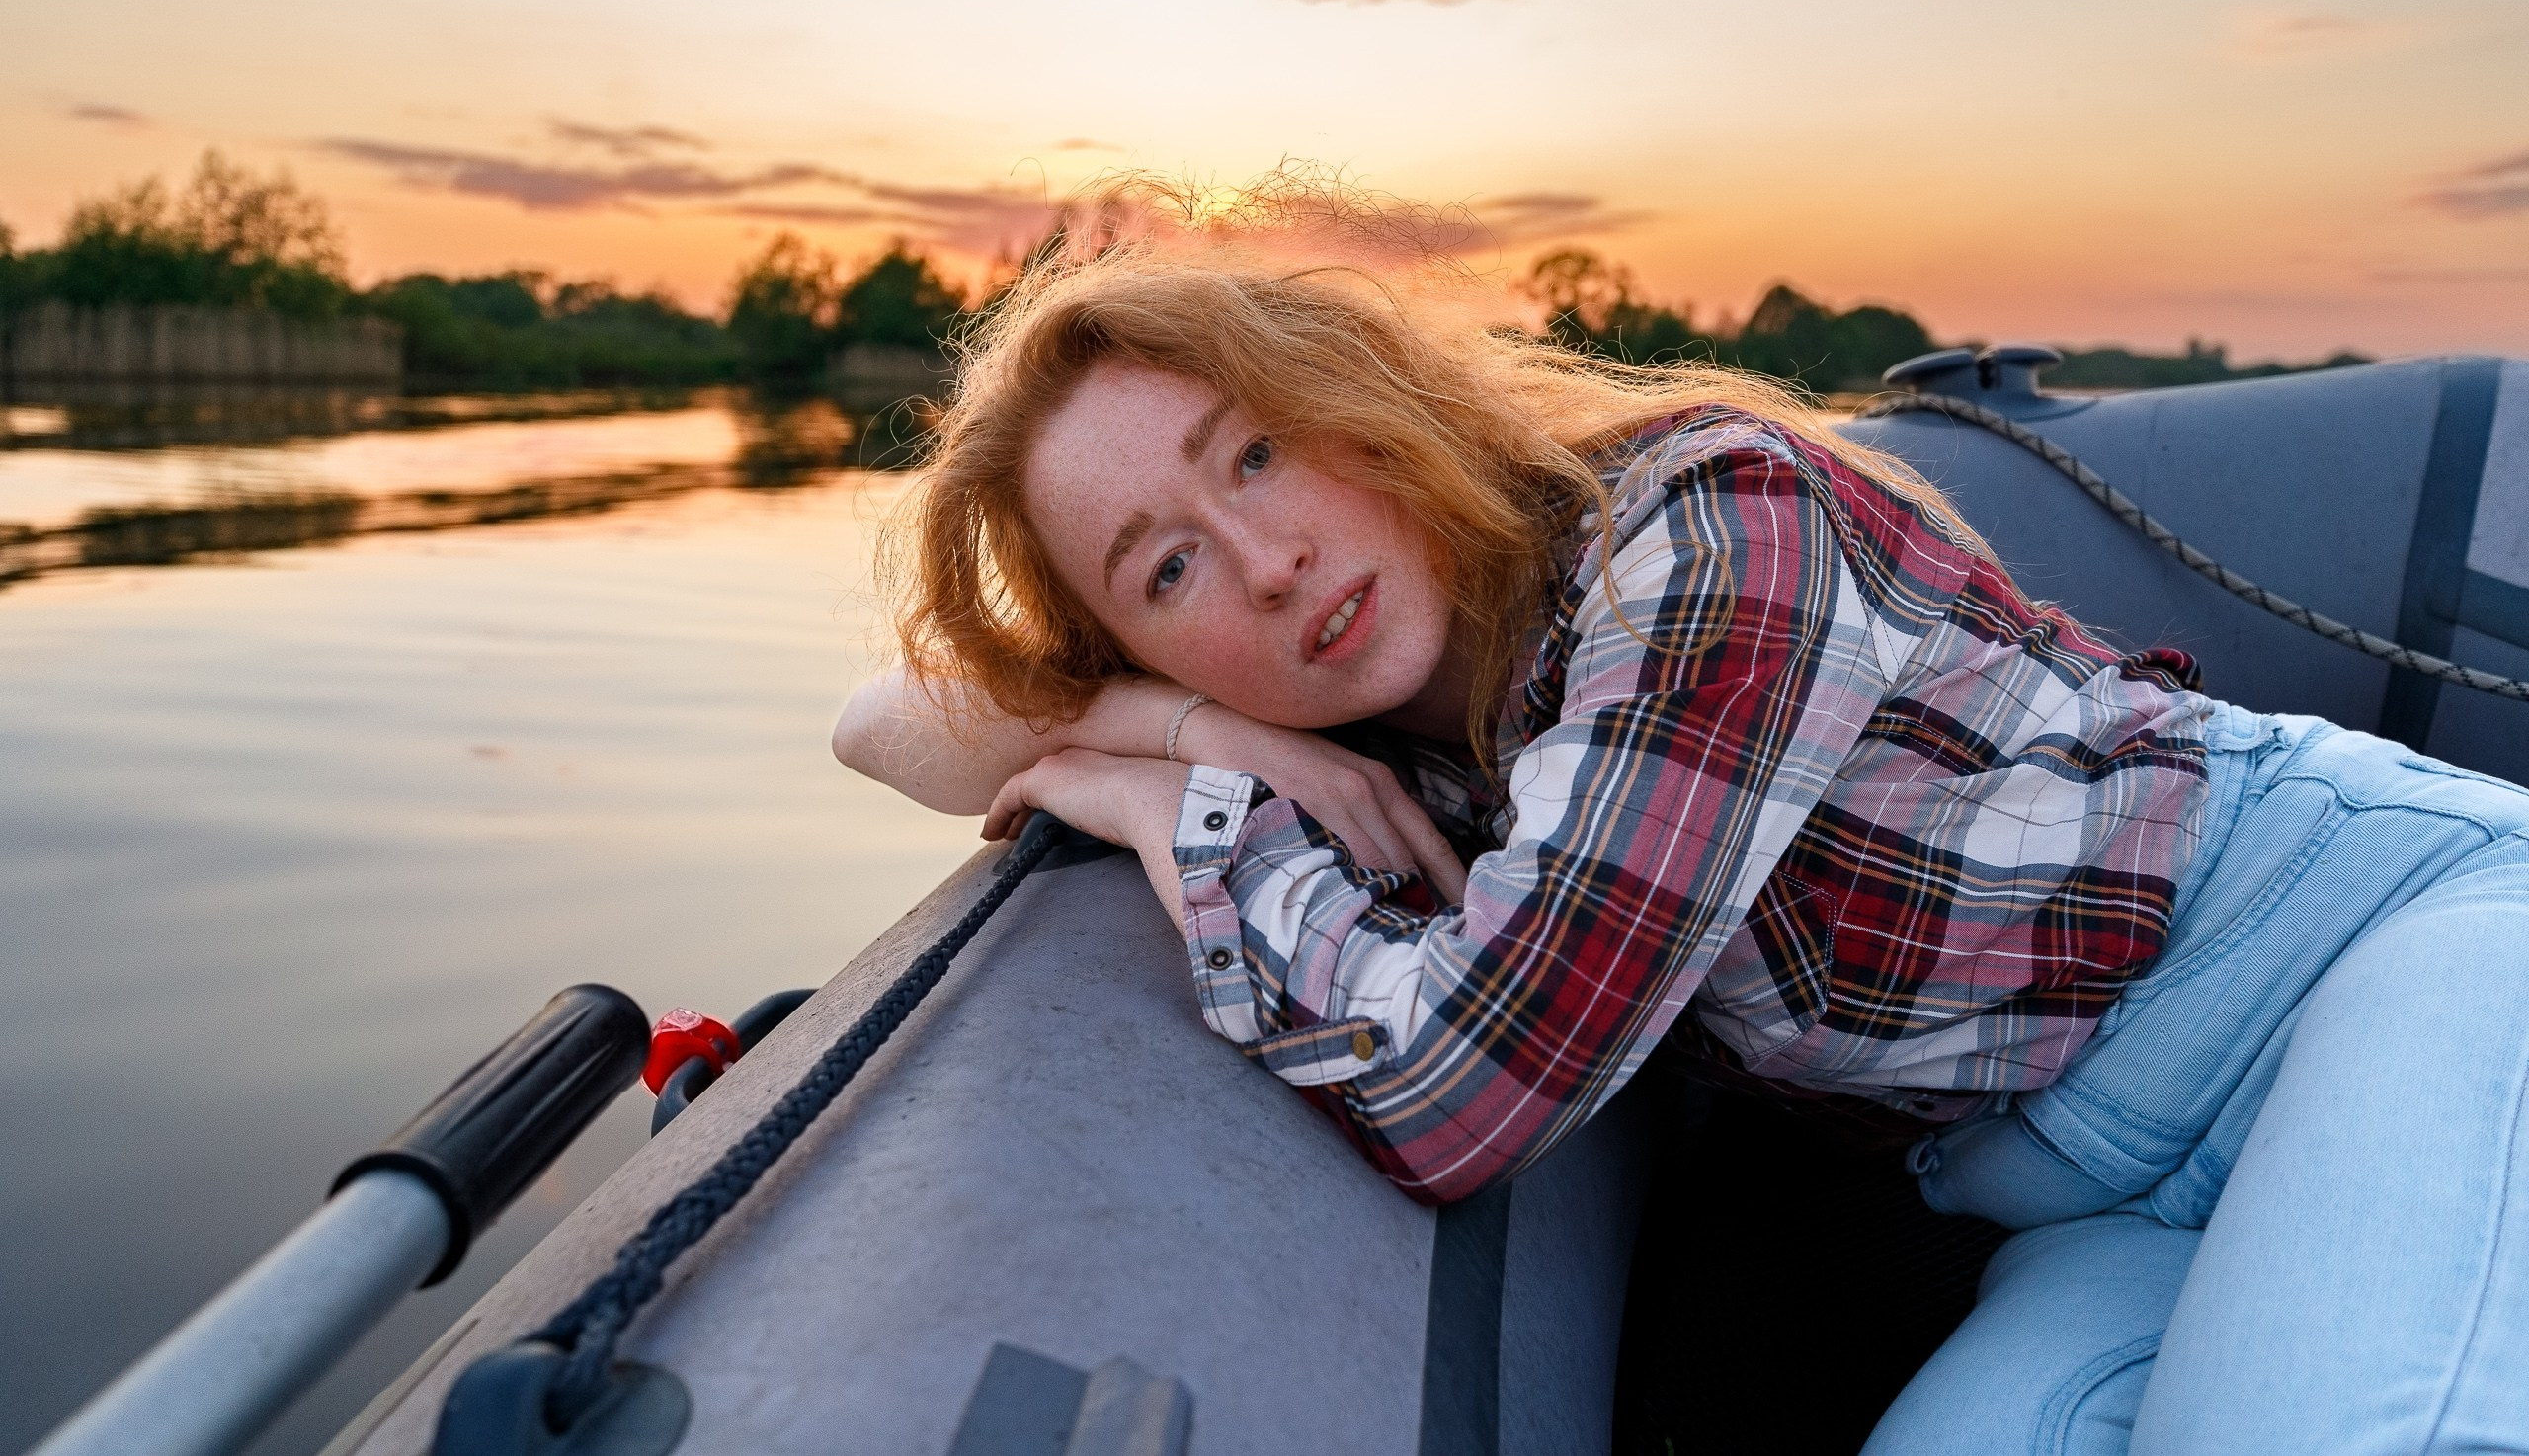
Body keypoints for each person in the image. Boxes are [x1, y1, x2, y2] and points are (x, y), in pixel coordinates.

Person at [833, 242, 2529, 1454]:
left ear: (1358, 404)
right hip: (2087, 1193)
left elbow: (1457, 1090)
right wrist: (1187, 733)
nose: (1264, 561)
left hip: (2379, 945)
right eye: (1167, 572)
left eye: (1257, 454)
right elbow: (881, 724)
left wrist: (1166, 796)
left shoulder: (1712, 524)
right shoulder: (1393, 717)